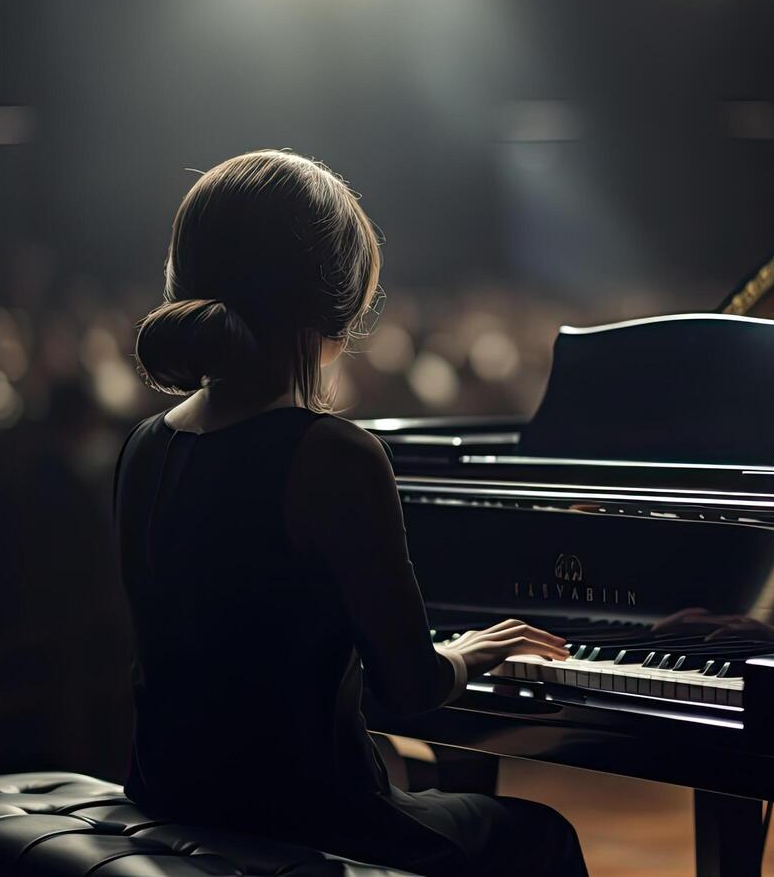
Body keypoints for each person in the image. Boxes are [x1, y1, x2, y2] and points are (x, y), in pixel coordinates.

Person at [113, 150, 588, 876]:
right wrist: (471, 650)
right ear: (339, 302)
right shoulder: (330, 454)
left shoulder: (147, 444)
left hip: (169, 792)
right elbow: (411, 688)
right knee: (542, 836)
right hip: (310, 814)